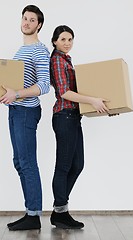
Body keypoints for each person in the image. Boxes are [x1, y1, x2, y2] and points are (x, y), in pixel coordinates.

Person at [49, 25, 109, 229]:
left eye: (70, 39)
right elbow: (65, 92)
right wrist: (92, 100)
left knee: (77, 165)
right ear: (55, 41)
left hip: (73, 116)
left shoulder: (67, 60)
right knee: (64, 166)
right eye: (63, 39)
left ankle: (59, 210)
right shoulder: (57, 60)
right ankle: (60, 212)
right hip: (64, 116)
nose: (67, 43)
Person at [0, 5, 50, 231]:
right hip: (16, 110)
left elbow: (44, 86)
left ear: (39, 25)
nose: (27, 22)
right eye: (24, 18)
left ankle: (33, 215)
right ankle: (31, 211)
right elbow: (16, 82)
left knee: (27, 162)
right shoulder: (20, 51)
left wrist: (17, 94)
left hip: (27, 111)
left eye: (32, 20)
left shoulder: (39, 50)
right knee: (19, 162)